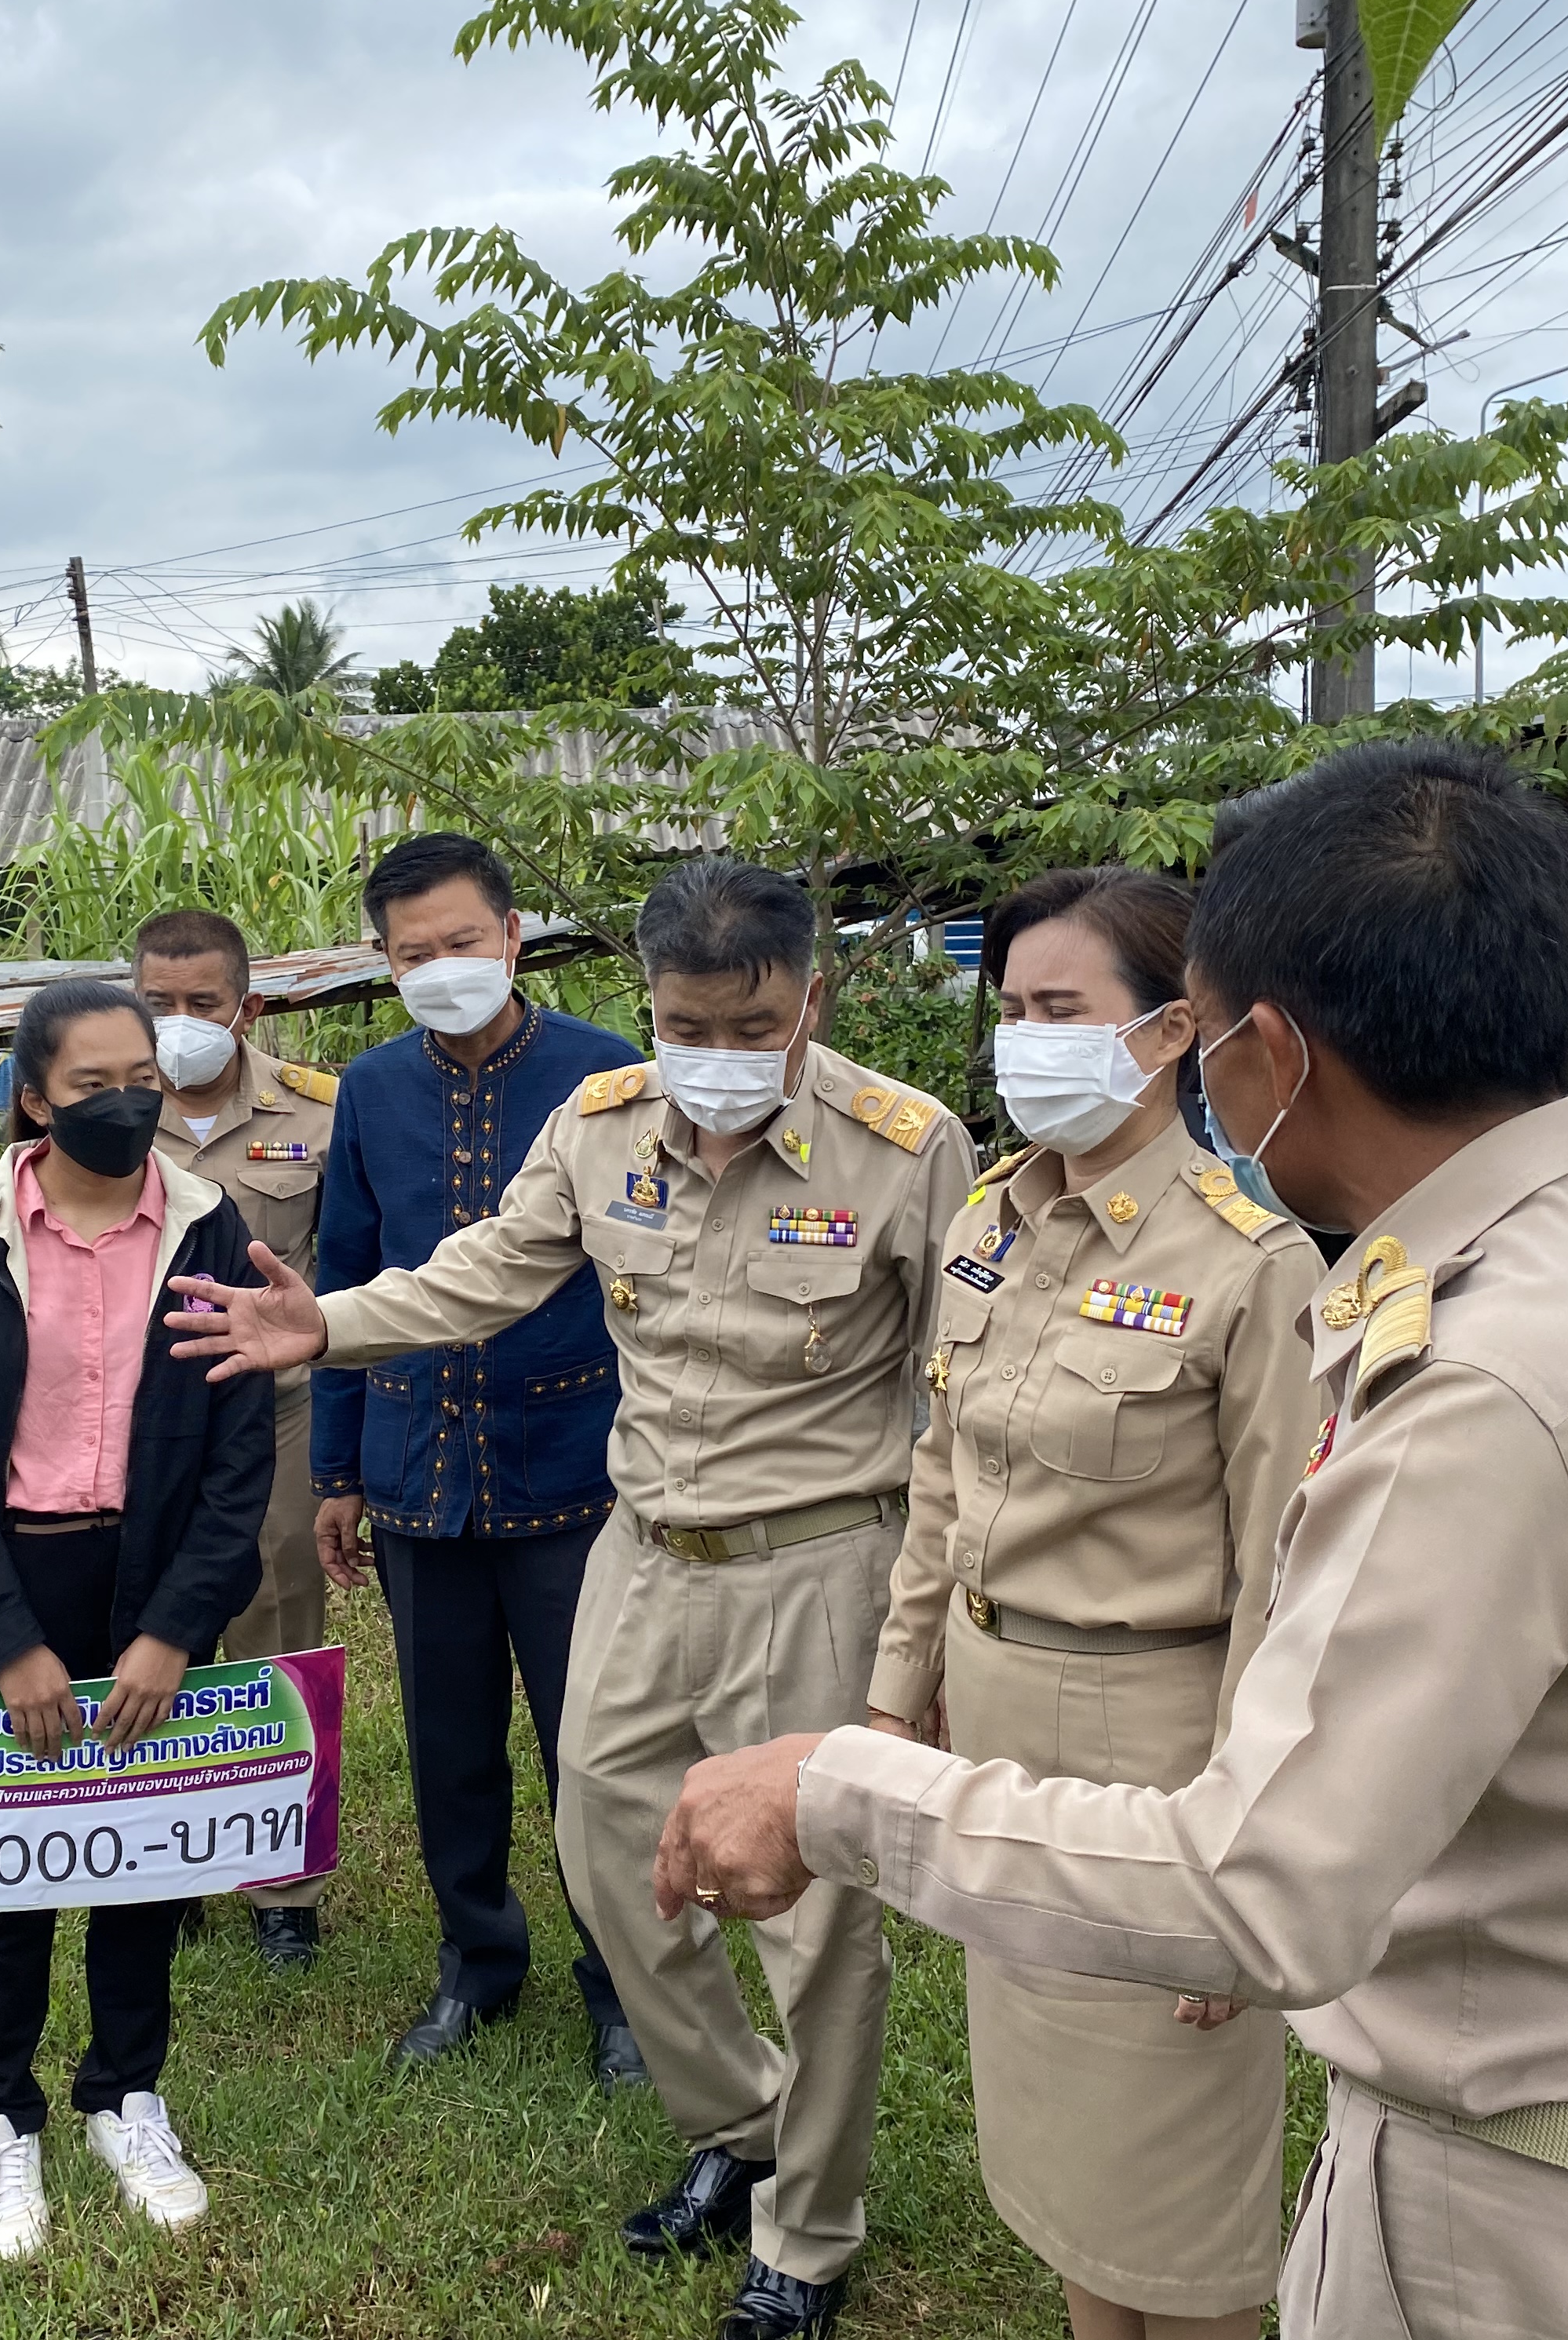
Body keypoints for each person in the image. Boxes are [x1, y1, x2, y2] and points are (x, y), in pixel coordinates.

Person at [655, 741, 1568, 2340]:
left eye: (1200, 1038)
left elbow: (1257, 1890)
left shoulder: (1476, 1384)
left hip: (1521, 2216)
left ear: (1270, 1053)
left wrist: (832, 1788)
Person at [173, 856, 975, 2340]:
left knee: (811, 1914)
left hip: (816, 1567)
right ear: (648, 1006)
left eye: (754, 1029)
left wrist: (923, 1636)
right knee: (611, 1860)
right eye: (689, 1026)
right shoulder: (600, 1125)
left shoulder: (906, 1147)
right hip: (641, 1553)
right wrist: (325, 1326)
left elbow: (958, 1400)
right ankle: (737, 2126)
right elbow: (486, 1271)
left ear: (809, 1004)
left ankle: (809, 2229)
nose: (720, 1059)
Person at [872, 869, 1319, 2340]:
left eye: (1060, 1009)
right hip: (996, 1712)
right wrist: (895, 1698)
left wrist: (1244, 1850)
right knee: (1061, 2134)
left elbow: (1281, 1579)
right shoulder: (992, 1223)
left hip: (1155, 1742)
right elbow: (943, 1475)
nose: (1023, 1041)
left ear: (1171, 1030)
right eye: (1010, 1010)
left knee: (1175, 2169)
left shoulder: (1249, 1265)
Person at [0, 979, 274, 2261]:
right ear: (34, 1099)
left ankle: (126, 2097)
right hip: (9, 1582)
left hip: (149, 1584)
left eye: (142, 1078)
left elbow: (237, 1459)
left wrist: (176, 1630)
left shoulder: (206, 1227)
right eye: (92, 1085)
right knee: (11, 1871)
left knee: (143, 1854)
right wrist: (5, 1644)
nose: (125, 1103)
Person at [304, 833, 644, 2083]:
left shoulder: (608, 1074)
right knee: (449, 1747)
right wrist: (338, 1472)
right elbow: (344, 1275)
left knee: (591, 1751)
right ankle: (477, 1964)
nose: (441, 967)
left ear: (511, 937)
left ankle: (624, 1986)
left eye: (462, 941)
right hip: (416, 1468)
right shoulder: (370, 1088)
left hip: (574, 1469)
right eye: (414, 952)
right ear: (385, 963)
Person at [134, 906, 343, 1971]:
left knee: (278, 1627)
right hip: (140, 1428)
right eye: (158, 1003)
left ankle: (282, 1883)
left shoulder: (320, 1113)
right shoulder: (103, 1106)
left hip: (275, 1417)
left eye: (201, 1003)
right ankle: (159, 1863)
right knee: (148, 1634)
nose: (179, 1022)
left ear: (246, 1008)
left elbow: (349, 1277)